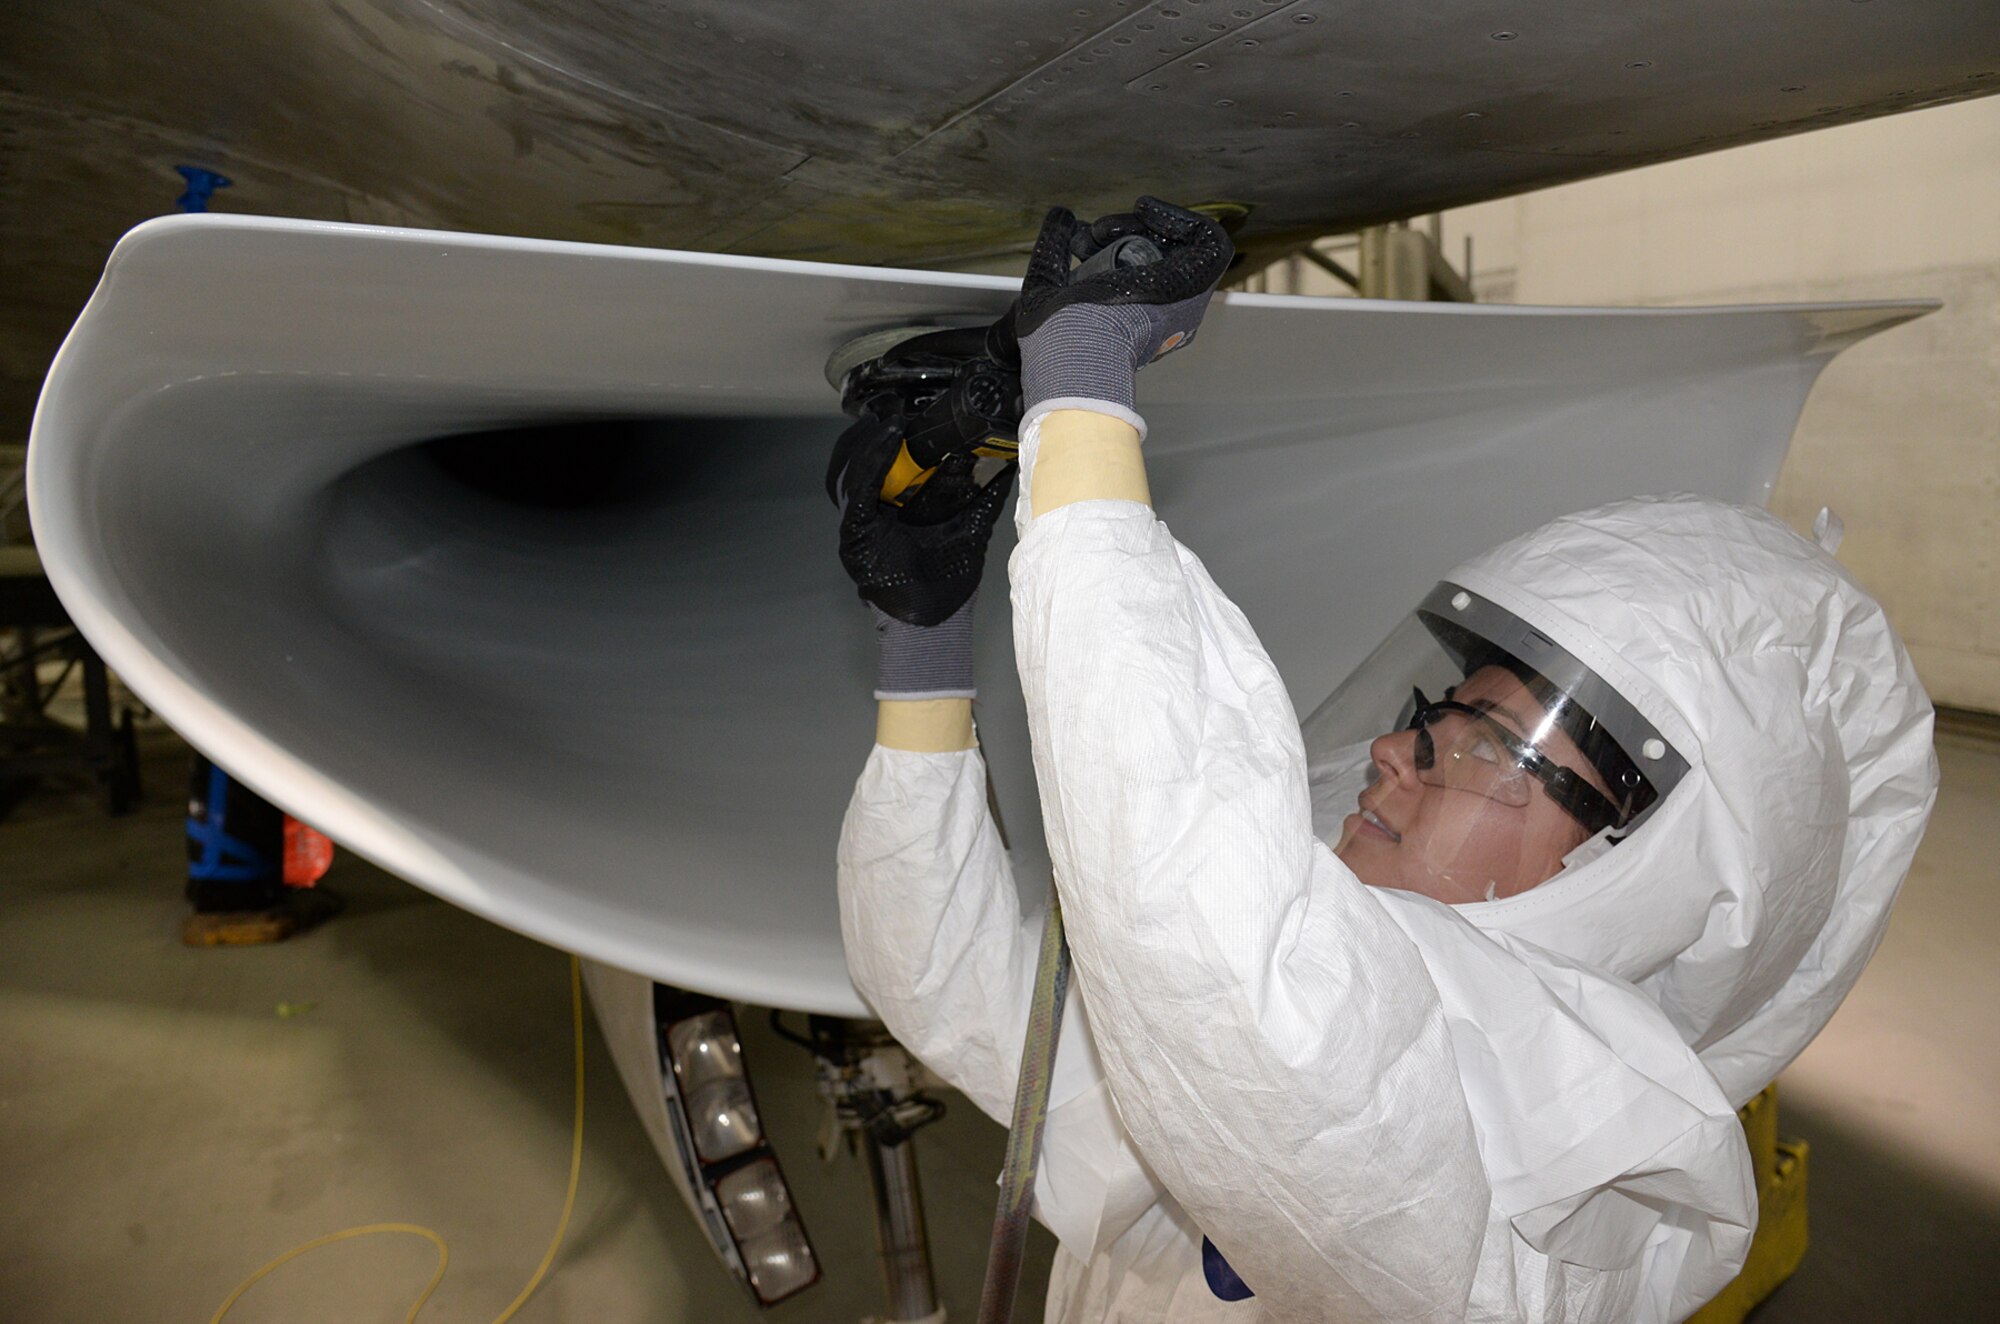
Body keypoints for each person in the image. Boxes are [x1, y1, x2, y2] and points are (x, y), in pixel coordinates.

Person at [832, 198, 1938, 1322]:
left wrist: (1082, 427)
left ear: (1638, 873)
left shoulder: (1583, 1192)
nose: (1391, 754)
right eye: (1433, 710)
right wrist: (924, 643)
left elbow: (1255, 1008)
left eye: (1485, 746)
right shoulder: (1322, 984)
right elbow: (955, 988)